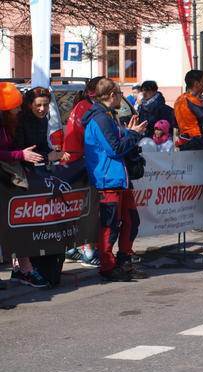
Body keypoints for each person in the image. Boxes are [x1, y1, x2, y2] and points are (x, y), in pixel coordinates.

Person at [82, 78, 148, 282]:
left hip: (119, 178)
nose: (121, 97)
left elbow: (116, 141)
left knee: (132, 221)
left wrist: (129, 133)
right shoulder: (100, 118)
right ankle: (108, 267)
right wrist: (133, 135)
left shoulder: (109, 115)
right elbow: (115, 148)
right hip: (107, 179)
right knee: (109, 226)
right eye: (120, 93)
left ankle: (124, 261)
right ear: (112, 95)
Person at [13, 87, 71, 288]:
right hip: (17, 177)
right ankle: (23, 267)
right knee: (21, 225)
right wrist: (48, 157)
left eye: (45, 105)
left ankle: (23, 266)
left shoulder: (43, 119)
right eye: (38, 105)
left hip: (32, 176)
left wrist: (57, 153)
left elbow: (41, 146)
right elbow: (21, 152)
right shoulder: (21, 120)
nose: (42, 109)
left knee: (29, 224)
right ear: (29, 104)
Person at [0, 83, 48, 289]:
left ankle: (24, 268)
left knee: (18, 226)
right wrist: (21, 154)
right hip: (6, 178)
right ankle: (23, 268)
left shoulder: (12, 121)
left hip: (9, 179)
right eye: (16, 106)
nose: (20, 109)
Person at [62, 76, 104, 267]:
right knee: (89, 209)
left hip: (73, 162)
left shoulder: (82, 105)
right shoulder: (90, 109)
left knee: (77, 208)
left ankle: (72, 249)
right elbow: (95, 139)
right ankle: (89, 251)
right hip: (83, 163)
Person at [174, 70, 203, 150]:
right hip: (196, 140)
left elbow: (174, 122)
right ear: (196, 84)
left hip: (184, 139)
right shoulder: (192, 100)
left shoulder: (178, 100)